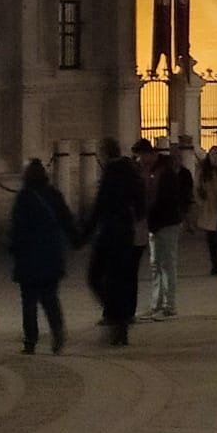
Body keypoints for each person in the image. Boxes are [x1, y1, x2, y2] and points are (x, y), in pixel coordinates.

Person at [9, 158, 77, 354]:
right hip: (51, 256)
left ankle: (30, 340)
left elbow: (17, 228)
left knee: (29, 302)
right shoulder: (54, 195)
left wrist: (14, 249)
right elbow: (67, 220)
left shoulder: (24, 197)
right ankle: (57, 334)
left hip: (28, 259)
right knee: (50, 299)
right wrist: (76, 241)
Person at [86, 137, 147, 346]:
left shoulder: (112, 173)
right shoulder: (129, 171)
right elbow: (140, 201)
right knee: (118, 279)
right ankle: (120, 325)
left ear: (104, 153)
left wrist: (84, 234)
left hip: (110, 234)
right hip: (125, 234)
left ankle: (116, 318)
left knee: (96, 277)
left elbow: (99, 207)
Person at [147, 147, 187, 318]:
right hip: (157, 223)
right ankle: (157, 304)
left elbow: (164, 200)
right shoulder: (154, 172)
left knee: (167, 264)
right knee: (157, 264)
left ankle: (169, 305)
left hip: (166, 222)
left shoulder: (164, 173)